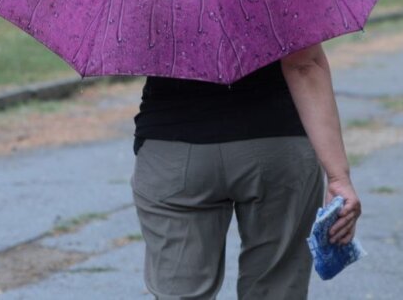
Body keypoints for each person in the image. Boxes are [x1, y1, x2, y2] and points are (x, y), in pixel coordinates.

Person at [131, 42, 361, 299]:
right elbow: (304, 65)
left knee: (178, 292)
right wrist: (338, 176)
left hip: (173, 149)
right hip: (277, 143)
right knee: (276, 289)